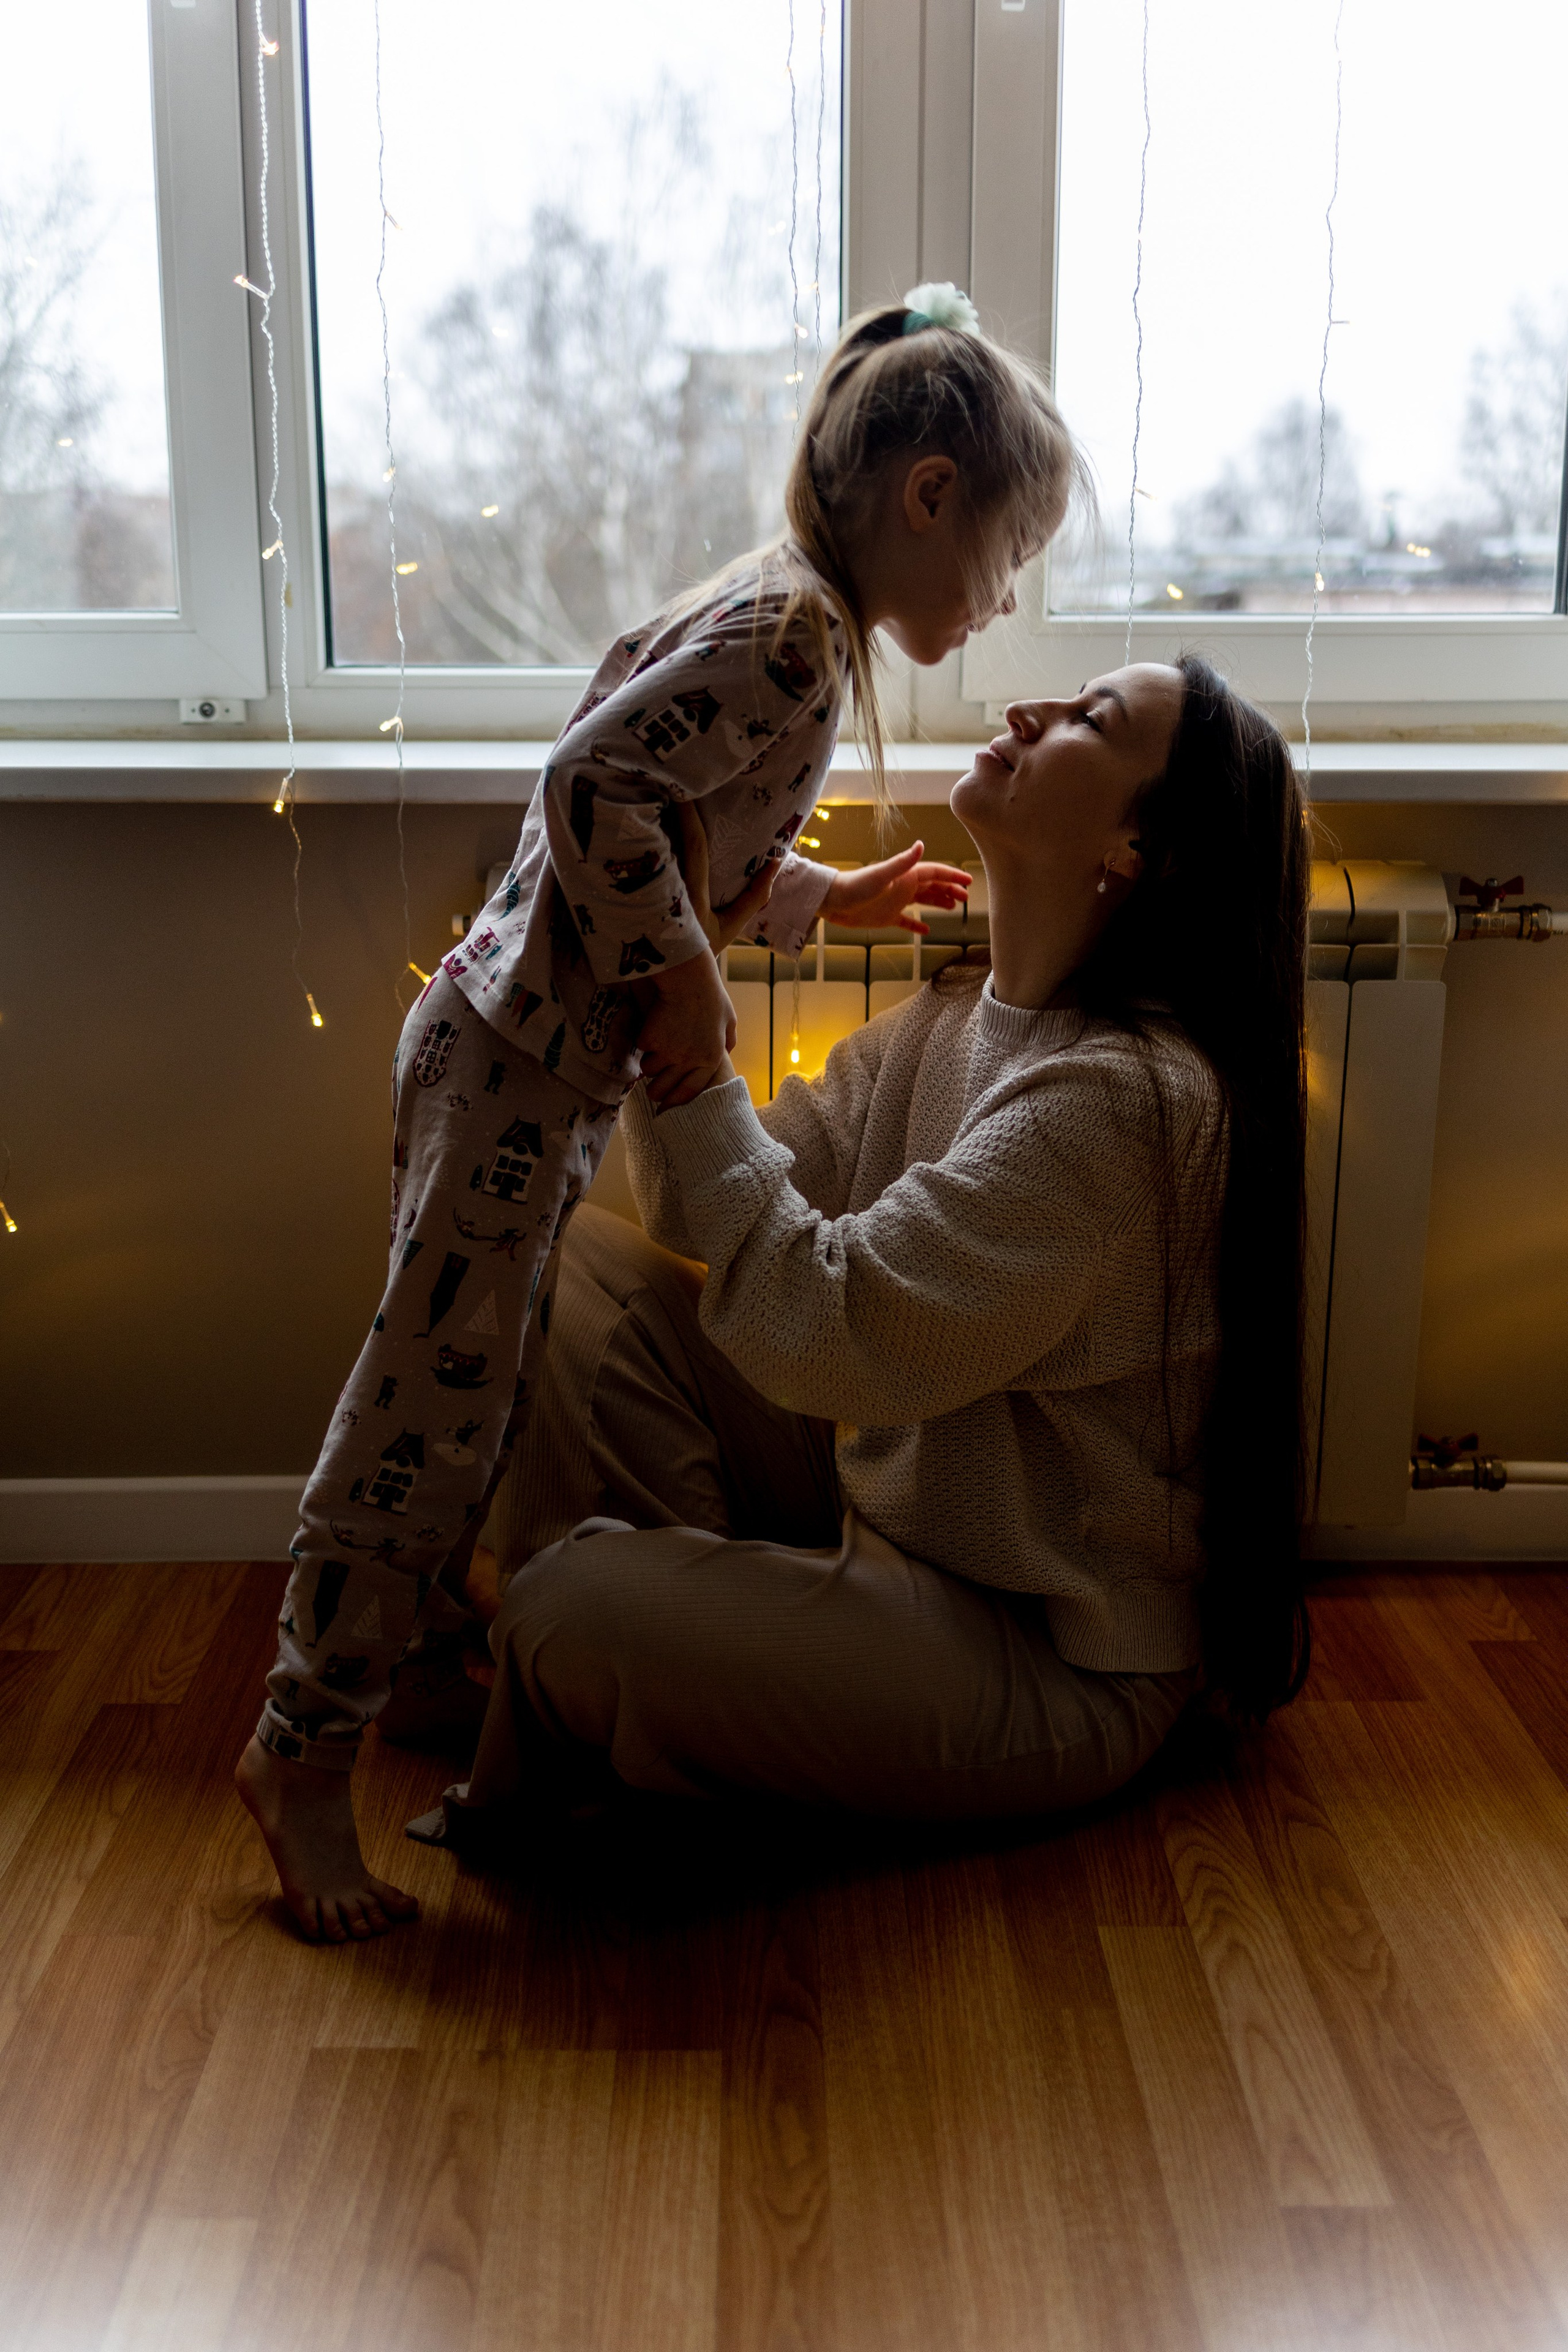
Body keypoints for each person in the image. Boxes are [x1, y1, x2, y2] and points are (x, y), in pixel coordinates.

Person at [237, 281, 1084, 1943]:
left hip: (521, 1056)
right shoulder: (794, 642)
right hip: (515, 1061)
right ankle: (298, 1747)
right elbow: (588, 793)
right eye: (1006, 557)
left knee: (470, 1392)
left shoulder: (790, 620)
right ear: (928, 498)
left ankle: (402, 1672)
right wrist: (684, 984)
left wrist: (816, 898)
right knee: (427, 1408)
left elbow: (672, 830)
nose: (1001, 600)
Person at [424, 654, 1312, 1844]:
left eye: (1086, 721)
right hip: (885, 1514)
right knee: (555, 1248)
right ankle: (668, 1669)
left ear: (1133, 854)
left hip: (1036, 1651)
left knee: (567, 1611)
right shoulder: (953, 1018)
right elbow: (696, 1215)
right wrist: (687, 980)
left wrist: (692, 1056)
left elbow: (825, 1330)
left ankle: (612, 1666)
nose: (1026, 709)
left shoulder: (1124, 1104)